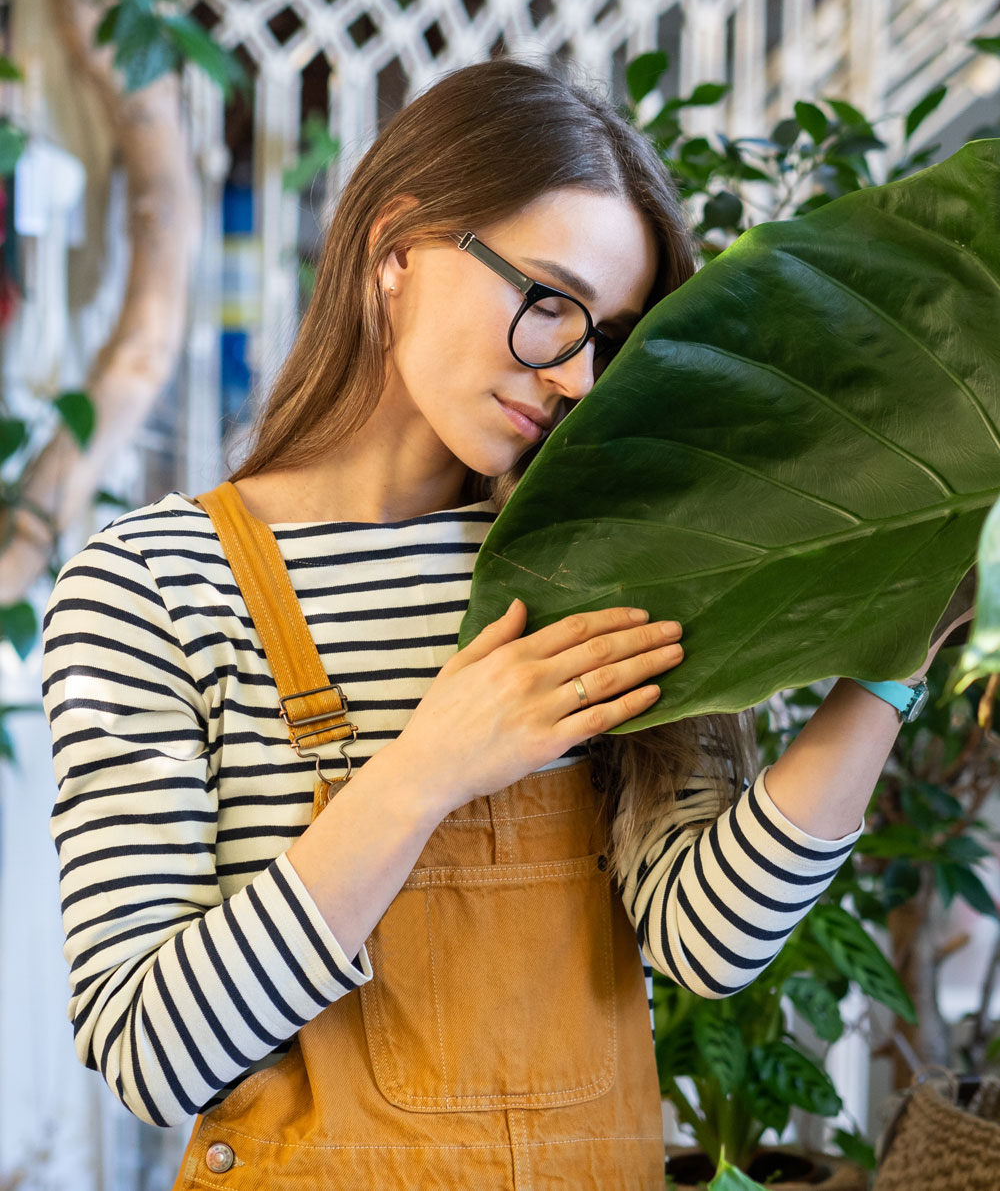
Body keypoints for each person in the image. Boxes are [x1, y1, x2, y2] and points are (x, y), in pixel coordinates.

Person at [41, 58, 963, 1189]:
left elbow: (709, 939)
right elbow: (150, 1048)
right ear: (396, 250)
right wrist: (427, 768)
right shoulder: (153, 585)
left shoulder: (608, 555)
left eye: (609, 336)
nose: (575, 374)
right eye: (547, 299)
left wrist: (892, 650)